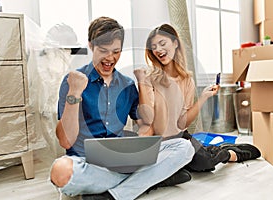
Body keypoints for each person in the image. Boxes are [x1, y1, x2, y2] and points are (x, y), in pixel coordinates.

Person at [50, 17, 195, 200]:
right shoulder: (72, 81)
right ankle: (146, 181)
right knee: (60, 171)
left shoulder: (127, 85)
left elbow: (145, 125)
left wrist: (140, 147)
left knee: (183, 147)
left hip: (121, 161)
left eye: (116, 51)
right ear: (91, 46)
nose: (110, 58)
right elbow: (65, 141)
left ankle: (113, 195)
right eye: (103, 51)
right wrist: (75, 94)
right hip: (86, 163)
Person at [134, 24, 261, 174]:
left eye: (163, 44)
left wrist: (203, 98)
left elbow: (183, 122)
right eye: (154, 46)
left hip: (180, 138)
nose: (158, 50)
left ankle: (230, 153)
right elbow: (148, 118)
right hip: (157, 143)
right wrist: (141, 82)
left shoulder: (186, 80)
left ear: (175, 43)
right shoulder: (148, 77)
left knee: (203, 163)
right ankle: (206, 152)